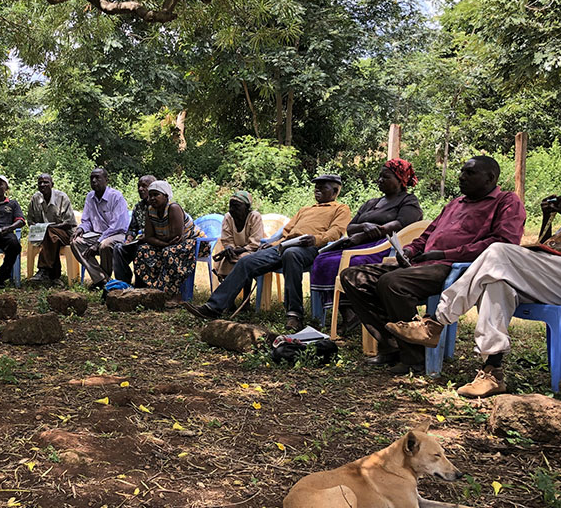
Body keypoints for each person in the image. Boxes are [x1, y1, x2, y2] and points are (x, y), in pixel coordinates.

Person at [388, 158, 561, 397]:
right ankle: (492, 371)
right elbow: (552, 248)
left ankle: (436, 321)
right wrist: (548, 219)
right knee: (498, 283)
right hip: (559, 277)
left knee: (497, 250)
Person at [340, 155, 525, 375]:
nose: (461, 177)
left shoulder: (506, 201)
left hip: (459, 268)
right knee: (352, 277)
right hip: (424, 263)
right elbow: (426, 235)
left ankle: (415, 358)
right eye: (462, 171)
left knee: (392, 282)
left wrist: (445, 253)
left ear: (490, 178)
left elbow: (503, 243)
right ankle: (393, 345)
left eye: (470, 173)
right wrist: (409, 250)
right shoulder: (455, 204)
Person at [185, 175, 351, 331]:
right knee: (247, 261)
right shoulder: (305, 209)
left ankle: (295, 314)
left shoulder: (341, 209)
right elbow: (286, 231)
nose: (317, 190)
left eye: (323, 187)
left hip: (312, 248)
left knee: (291, 254)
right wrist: (272, 244)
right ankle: (214, 307)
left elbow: (336, 232)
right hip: (286, 245)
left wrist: (315, 239)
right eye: (316, 187)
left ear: (335, 191)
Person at [310, 160, 423, 330]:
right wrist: (363, 227)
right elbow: (350, 227)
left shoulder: (408, 201)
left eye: (385, 177)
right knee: (322, 258)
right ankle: (346, 311)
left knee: (341, 262)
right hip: (358, 244)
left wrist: (369, 234)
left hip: (384, 248)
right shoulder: (371, 203)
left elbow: (402, 224)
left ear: (400, 179)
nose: (380, 180)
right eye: (379, 176)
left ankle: (353, 311)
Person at [131, 181, 203, 300]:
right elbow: (149, 237)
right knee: (143, 251)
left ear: (165, 196)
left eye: (156, 195)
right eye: (151, 195)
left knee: (169, 253)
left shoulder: (173, 208)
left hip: (193, 242)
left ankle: (174, 294)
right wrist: (163, 242)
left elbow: (176, 236)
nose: (152, 198)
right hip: (167, 244)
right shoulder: (150, 210)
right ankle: (153, 289)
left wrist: (158, 239)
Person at [71, 168, 129, 289]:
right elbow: (86, 221)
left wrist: (97, 242)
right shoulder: (90, 197)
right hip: (97, 234)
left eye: (98, 178)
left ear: (106, 180)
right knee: (75, 242)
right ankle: (102, 280)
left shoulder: (116, 197)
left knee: (105, 245)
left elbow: (116, 226)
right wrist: (81, 229)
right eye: (92, 178)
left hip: (117, 234)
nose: (94, 181)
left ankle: (103, 281)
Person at [26, 173, 77, 283]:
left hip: (65, 234)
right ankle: (54, 276)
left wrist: (49, 227)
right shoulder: (35, 198)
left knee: (50, 232)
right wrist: (38, 227)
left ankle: (43, 269)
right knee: (52, 237)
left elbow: (69, 223)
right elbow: (30, 220)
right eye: (40, 183)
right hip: (45, 236)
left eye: (46, 182)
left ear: (52, 184)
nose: (42, 185)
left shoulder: (62, 197)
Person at [112, 175, 157, 284]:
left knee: (141, 249)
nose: (140, 189)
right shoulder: (138, 207)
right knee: (118, 248)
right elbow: (133, 228)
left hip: (155, 243)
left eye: (144, 186)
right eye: (139, 186)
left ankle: (140, 285)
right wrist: (129, 238)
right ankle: (123, 283)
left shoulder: (159, 205)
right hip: (141, 241)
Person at [212, 190, 266, 280]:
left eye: (236, 206)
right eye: (230, 206)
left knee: (245, 261)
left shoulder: (254, 217)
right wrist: (229, 248)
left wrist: (236, 251)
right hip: (235, 251)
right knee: (228, 260)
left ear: (247, 207)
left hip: (253, 251)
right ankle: (229, 292)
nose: (232, 209)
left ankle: (246, 294)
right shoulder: (228, 217)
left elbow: (255, 244)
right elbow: (227, 240)